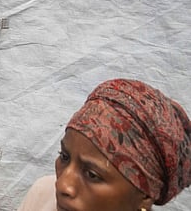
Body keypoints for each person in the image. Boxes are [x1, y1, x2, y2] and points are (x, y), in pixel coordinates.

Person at [17, 78, 191, 211]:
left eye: (92, 175)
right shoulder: (41, 195)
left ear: (145, 195)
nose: (62, 184)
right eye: (64, 157)